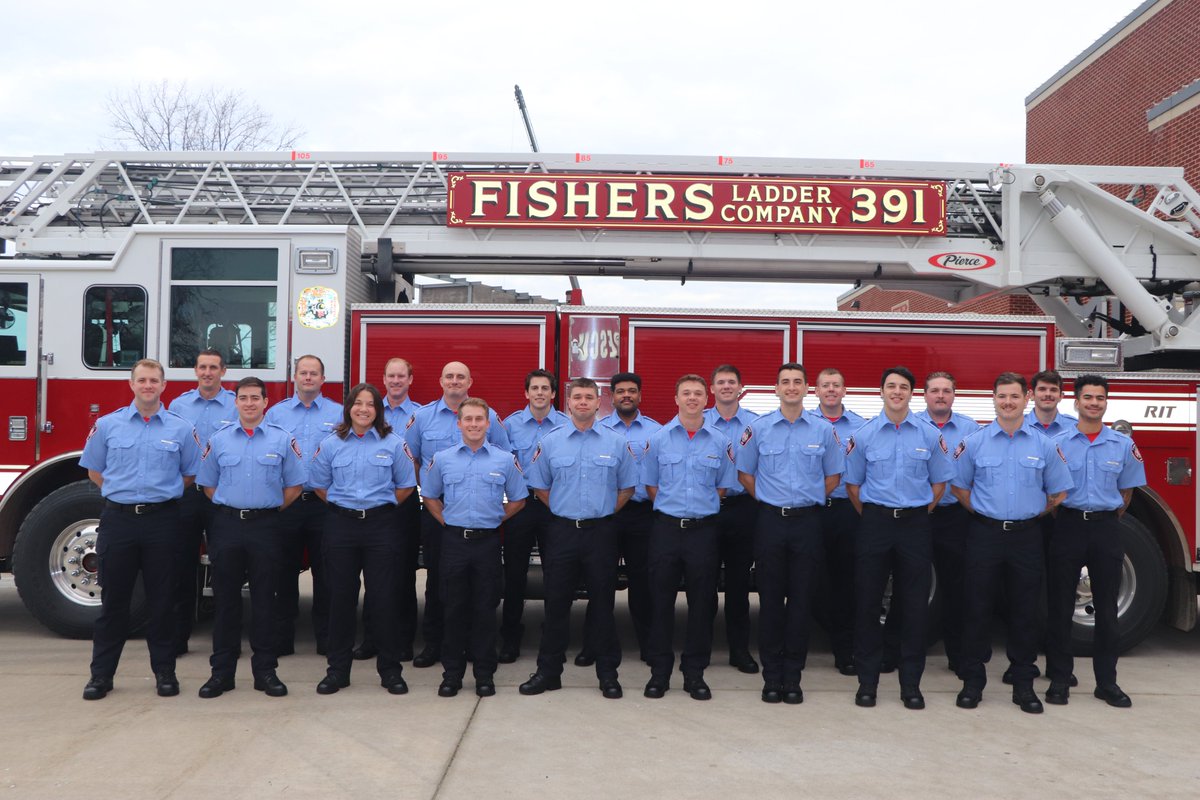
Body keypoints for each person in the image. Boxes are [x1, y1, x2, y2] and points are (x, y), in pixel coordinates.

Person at [80, 359, 202, 700]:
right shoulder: (107, 425)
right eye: (142, 380)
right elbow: (94, 470)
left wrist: (161, 493)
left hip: (162, 522)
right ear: (132, 385)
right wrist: (121, 493)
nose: (148, 386)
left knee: (162, 602)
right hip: (118, 521)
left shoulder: (180, 428)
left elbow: (191, 472)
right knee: (114, 604)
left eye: (154, 381)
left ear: (164, 386)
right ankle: (101, 677)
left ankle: (165, 673)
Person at [950, 372, 1071, 713]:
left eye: (1014, 396)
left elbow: (1059, 490)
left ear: (1026, 399)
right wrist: (986, 513)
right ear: (994, 398)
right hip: (984, 534)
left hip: (1026, 536)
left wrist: (1030, 513)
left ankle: (1023, 686)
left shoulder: (1044, 444)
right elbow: (959, 486)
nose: (1008, 402)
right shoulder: (975, 442)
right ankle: (972, 683)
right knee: (976, 609)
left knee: (1025, 612)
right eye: (1002, 396)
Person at [843, 366, 954, 710]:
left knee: (913, 606)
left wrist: (916, 512)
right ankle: (867, 683)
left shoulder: (928, 435)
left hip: (915, 525)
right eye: (891, 386)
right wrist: (879, 515)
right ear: (881, 391)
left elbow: (939, 484)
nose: (897, 392)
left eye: (903, 387)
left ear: (912, 393)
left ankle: (911, 685)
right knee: (867, 603)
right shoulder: (863, 435)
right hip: (875, 523)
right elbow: (853, 486)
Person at [518, 378, 637, 699]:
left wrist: (604, 512)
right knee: (556, 604)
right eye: (578, 397)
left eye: (589, 397)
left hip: (601, 533)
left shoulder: (615, 442)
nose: (583, 402)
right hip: (562, 532)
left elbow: (627, 487)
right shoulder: (551, 441)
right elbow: (540, 487)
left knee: (603, 604)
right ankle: (548, 672)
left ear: (600, 403)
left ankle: (608, 674)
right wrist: (562, 508)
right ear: (568, 403)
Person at [737, 363, 843, 704]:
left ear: (806, 388)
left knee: (801, 601)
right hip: (770, 522)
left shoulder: (823, 431)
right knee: (769, 601)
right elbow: (745, 474)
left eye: (798, 381)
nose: (792, 387)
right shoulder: (759, 428)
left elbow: (833, 477)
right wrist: (772, 501)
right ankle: (771, 678)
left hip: (807, 523)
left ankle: (793, 677)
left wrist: (804, 500)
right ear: (776, 388)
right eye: (785, 382)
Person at [195, 377, 305, 699]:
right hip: (227, 526)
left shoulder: (283, 440)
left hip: (266, 527)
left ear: (265, 402)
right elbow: (207, 484)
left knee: (264, 602)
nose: (249, 403)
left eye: (255, 398)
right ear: (236, 402)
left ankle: (265, 672)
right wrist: (234, 507)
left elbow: (295, 486)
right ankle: (222, 674)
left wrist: (266, 510)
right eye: (243, 398)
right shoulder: (219, 440)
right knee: (226, 602)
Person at [308, 383, 417, 695]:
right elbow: (319, 484)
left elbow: (406, 485)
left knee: (383, 600)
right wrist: (345, 506)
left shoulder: (394, 443)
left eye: (370, 404)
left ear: (378, 410)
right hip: (341, 527)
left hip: (381, 527)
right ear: (349, 408)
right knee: (340, 600)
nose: (364, 409)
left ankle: (390, 672)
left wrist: (378, 507)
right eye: (358, 403)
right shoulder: (330, 444)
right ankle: (337, 672)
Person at [1047, 374, 1146, 708]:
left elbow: (1127, 490)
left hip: (1106, 528)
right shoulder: (1058, 443)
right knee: (1060, 607)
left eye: (1099, 398)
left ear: (1106, 403)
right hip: (1068, 527)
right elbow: (1048, 490)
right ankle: (1059, 680)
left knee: (1107, 609)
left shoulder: (1122, 445)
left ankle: (1107, 683)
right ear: (1076, 402)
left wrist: (1106, 516)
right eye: (1087, 397)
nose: (1093, 403)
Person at [405, 361, 512, 668]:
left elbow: (505, 456)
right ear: (441, 380)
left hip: (477, 518)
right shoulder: (422, 417)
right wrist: (431, 497)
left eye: (460, 377)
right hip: (438, 514)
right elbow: (411, 459)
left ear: (470, 381)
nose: (454, 381)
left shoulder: (489, 417)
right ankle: (434, 644)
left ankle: (475, 649)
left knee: (480, 587)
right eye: (449, 376)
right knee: (438, 580)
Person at [641, 374, 739, 701]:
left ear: (706, 399)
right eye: (687, 393)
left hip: (704, 531)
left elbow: (722, 486)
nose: (693, 398)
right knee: (660, 603)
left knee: (702, 604)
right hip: (667, 529)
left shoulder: (720, 441)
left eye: (698, 393)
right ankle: (659, 673)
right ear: (676, 398)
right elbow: (651, 486)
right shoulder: (658, 439)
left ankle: (694, 673)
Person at [422, 398, 527, 698]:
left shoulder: (504, 460)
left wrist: (495, 519)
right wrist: (447, 521)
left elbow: (518, 500)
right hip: (454, 542)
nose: (473, 424)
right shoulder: (442, 459)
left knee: (485, 610)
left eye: (479, 419)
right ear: (459, 423)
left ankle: (484, 675)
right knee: (452, 610)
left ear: (488, 423)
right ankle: (451, 676)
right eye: (468, 419)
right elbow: (429, 496)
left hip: (488, 543)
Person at [264, 354, 343, 656]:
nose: (308, 378)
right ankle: (283, 637)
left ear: (323, 379)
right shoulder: (276, 414)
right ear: (294, 377)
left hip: (324, 504)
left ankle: (326, 638)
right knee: (283, 572)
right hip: (289, 503)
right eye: (303, 373)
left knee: (327, 574)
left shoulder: (339, 414)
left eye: (314, 373)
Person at [167, 348, 236, 656]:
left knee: (226, 569)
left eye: (213, 368)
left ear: (223, 372)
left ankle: (226, 642)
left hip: (221, 495)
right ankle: (178, 637)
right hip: (187, 496)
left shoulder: (236, 405)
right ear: (195, 371)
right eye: (202, 367)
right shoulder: (179, 405)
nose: (208, 372)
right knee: (181, 566)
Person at [354, 357, 423, 662]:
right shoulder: (370, 412)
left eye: (401, 376)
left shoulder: (420, 416)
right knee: (373, 576)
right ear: (383, 378)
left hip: (403, 503)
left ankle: (404, 640)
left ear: (410, 379)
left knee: (404, 574)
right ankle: (371, 639)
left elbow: (417, 462)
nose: (396, 381)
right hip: (371, 505)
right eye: (391, 376)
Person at [915, 370, 982, 674]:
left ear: (954, 395)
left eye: (946, 391)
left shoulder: (971, 430)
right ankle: (902, 653)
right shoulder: (911, 426)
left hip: (955, 517)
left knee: (957, 590)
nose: (940, 395)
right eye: (934, 390)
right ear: (924, 395)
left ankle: (958, 655)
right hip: (918, 516)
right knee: (911, 587)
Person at [499, 369, 569, 662]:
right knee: (515, 574)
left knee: (557, 575)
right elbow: (502, 464)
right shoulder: (511, 425)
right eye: (534, 388)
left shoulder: (566, 425)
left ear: (554, 394)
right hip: (522, 505)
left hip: (555, 506)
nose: (540, 393)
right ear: (526, 393)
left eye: (545, 388)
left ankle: (554, 637)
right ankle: (510, 637)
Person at [805, 367, 867, 675]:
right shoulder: (802, 424)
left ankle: (845, 652)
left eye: (836, 385)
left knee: (846, 583)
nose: (831, 389)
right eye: (825, 385)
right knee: (807, 582)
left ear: (844, 391)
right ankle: (797, 652)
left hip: (846, 511)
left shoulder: (861, 426)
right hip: (811, 511)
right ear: (815, 391)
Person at [599, 371, 661, 662]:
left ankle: (649, 644)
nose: (626, 395)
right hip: (608, 513)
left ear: (640, 396)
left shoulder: (656, 431)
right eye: (620, 390)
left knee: (643, 582)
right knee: (600, 580)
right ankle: (594, 645)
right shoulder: (599, 430)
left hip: (642, 514)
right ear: (611, 397)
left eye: (632, 391)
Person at [704, 364, 760, 675]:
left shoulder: (756, 424)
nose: (726, 386)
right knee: (704, 583)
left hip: (743, 509)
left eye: (731, 382)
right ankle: (703, 649)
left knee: (739, 585)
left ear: (741, 387)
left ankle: (740, 651)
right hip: (709, 509)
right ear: (712, 389)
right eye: (720, 382)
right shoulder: (700, 421)